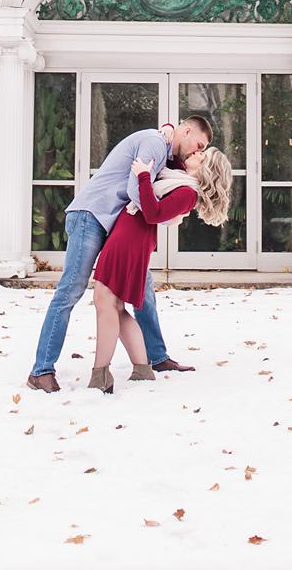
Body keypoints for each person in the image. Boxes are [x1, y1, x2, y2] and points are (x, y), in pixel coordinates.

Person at [24, 114, 212, 392]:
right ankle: (40, 371)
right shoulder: (155, 143)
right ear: (186, 132)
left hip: (110, 222)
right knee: (70, 292)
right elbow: (136, 190)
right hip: (91, 215)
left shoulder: (167, 151)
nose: (199, 152)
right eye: (198, 145)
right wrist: (154, 216)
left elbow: (175, 173)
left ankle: (155, 357)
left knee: (144, 289)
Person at [86, 145, 233, 393]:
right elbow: (172, 152)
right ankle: (142, 369)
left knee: (104, 300)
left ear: (207, 169)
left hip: (131, 238)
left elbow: (153, 214)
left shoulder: (188, 192)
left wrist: (144, 175)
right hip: (129, 234)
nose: (197, 153)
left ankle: (101, 375)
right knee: (115, 306)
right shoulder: (180, 179)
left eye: (203, 155)